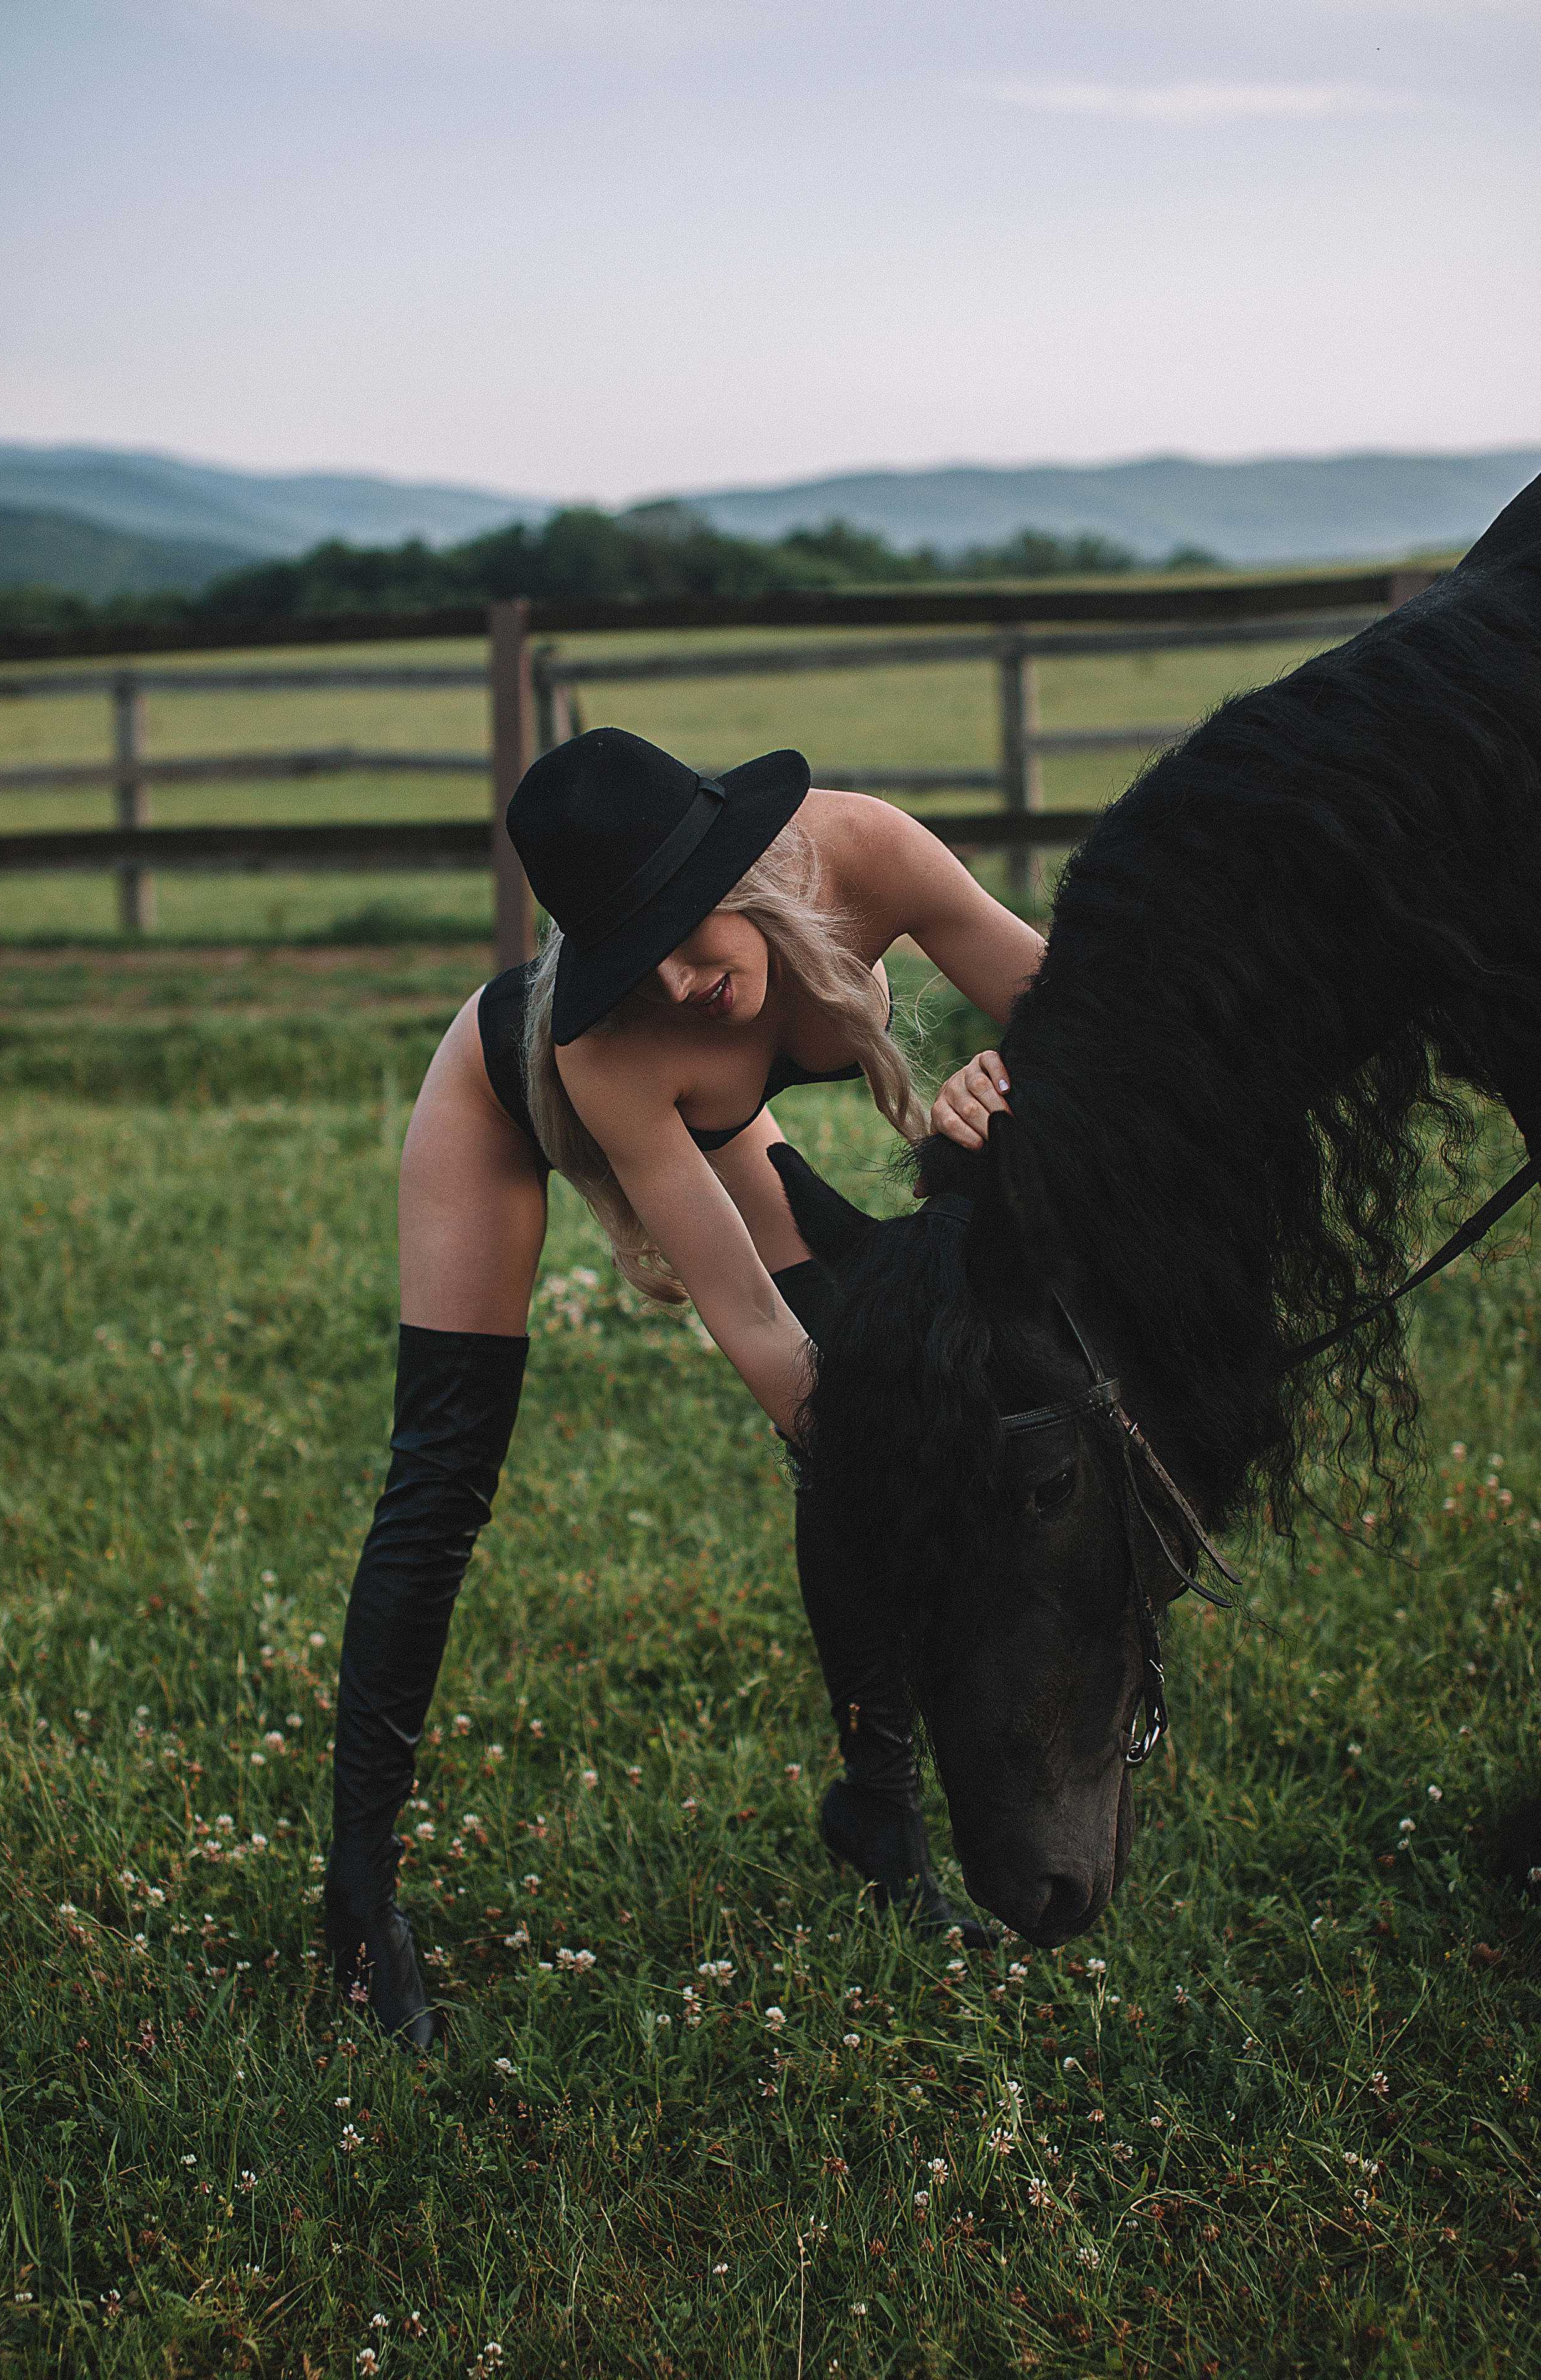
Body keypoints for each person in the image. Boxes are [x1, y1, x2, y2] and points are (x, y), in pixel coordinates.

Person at [327, 728, 1043, 2045]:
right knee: (440, 1481)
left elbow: (1068, 1005)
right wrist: (903, 1453)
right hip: (502, 1099)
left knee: (866, 1424)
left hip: (720, 1122)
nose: (671, 974)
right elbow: (756, 1330)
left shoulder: (865, 853)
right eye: (629, 952)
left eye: (683, 925)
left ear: (742, 865)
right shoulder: (610, 1042)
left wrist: (1008, 1076)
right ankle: (356, 1910)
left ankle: (873, 1807)